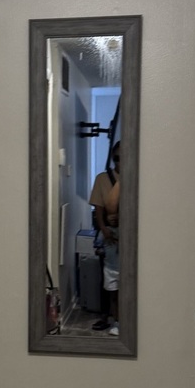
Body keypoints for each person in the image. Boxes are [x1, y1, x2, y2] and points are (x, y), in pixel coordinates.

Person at [89, 143, 121, 335]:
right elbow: (99, 208)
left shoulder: (138, 175)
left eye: (124, 158)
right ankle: (114, 319)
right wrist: (103, 228)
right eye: (116, 158)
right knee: (111, 280)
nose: (120, 162)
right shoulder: (102, 179)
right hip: (111, 236)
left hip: (132, 235)